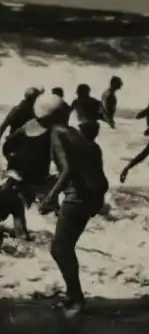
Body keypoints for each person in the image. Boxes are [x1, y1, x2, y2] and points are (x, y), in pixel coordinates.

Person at [37, 94, 110, 317]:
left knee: (60, 248)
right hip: (90, 195)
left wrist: (51, 197)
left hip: (79, 197)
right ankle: (72, 295)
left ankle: (77, 299)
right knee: (64, 247)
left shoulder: (57, 134)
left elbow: (67, 168)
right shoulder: (72, 132)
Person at [1, 97, 58, 239]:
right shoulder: (16, 203)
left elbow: (8, 142)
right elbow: (22, 236)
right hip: (35, 175)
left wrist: (10, 156)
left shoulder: (28, 125)